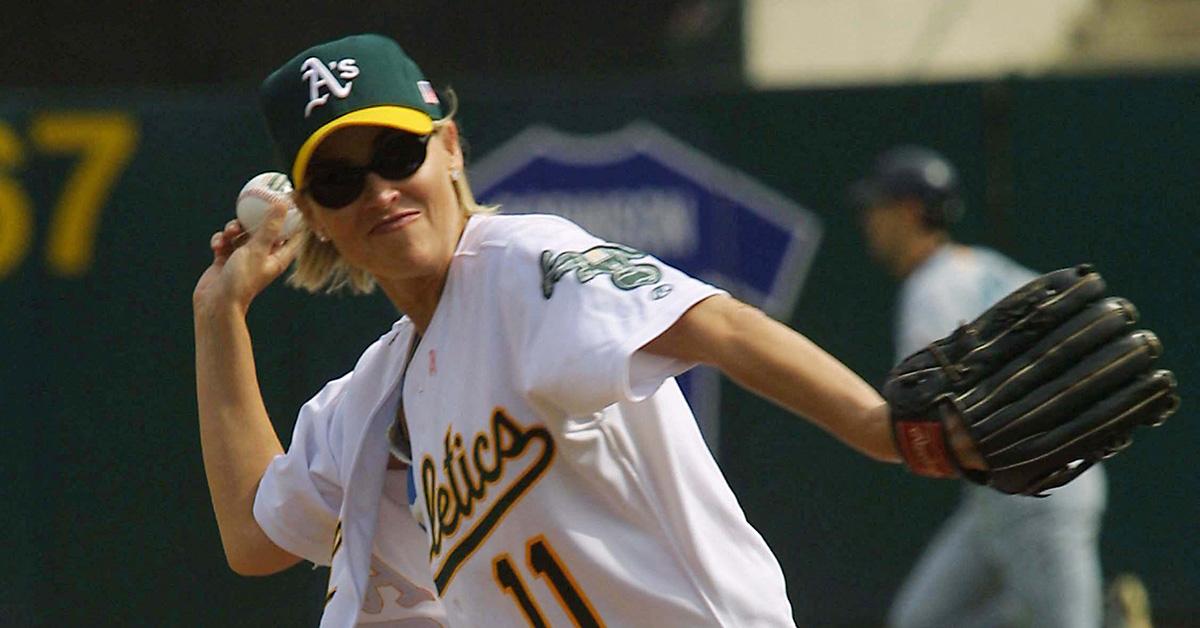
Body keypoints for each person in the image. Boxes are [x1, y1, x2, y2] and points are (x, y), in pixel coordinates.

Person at [193, 35, 986, 627]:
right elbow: (254, 536)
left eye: (399, 152)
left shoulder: (521, 263)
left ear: (451, 149)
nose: (380, 190)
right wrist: (220, 316)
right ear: (317, 218)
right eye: (339, 177)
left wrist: (882, 429)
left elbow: (719, 326)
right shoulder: (372, 400)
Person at [850, 146, 1108, 628]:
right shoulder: (985, 266)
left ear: (908, 211)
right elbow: (1077, 335)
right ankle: (1107, 615)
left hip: (1038, 488)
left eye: (878, 209)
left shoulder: (930, 289)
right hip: (1003, 492)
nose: (870, 222)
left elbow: (934, 415)